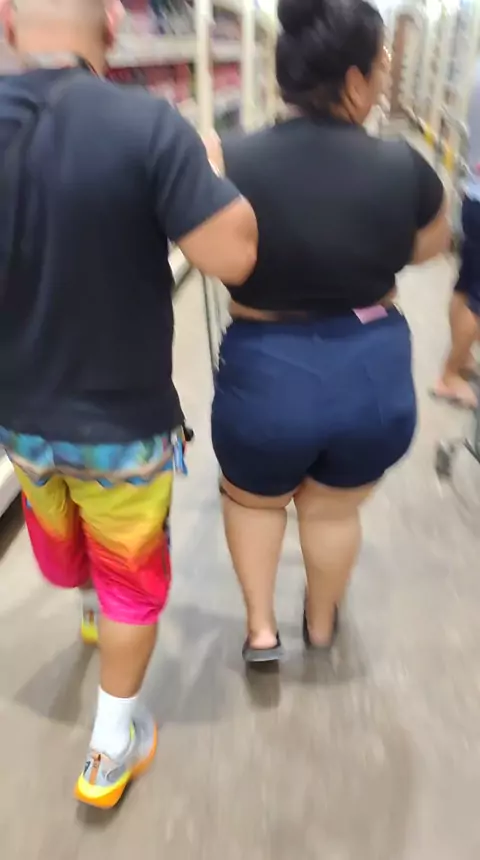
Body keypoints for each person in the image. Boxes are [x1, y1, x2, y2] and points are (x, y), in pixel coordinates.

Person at [0, 0, 257, 808]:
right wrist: (207, 168)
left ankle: (85, 608)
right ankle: (113, 744)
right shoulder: (148, 126)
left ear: (6, 21)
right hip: (120, 427)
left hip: (19, 415)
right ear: (113, 26)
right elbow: (234, 255)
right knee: (132, 585)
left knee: (61, 535)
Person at [209, 0, 450, 663]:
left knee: (255, 504)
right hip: (370, 374)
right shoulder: (403, 166)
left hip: (266, 374)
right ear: (353, 79)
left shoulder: (229, 159)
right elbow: (429, 246)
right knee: (333, 512)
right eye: (380, 67)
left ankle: (262, 632)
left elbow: (214, 250)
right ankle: (319, 626)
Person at [434, 59, 480, 408]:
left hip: (473, 195)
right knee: (477, 297)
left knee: (466, 285)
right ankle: (449, 375)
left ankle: (460, 360)